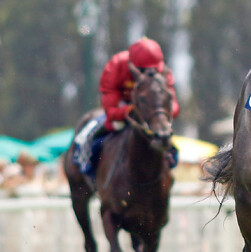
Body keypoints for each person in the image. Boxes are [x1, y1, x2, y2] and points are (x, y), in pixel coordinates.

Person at [75, 37, 180, 174]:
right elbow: (110, 111)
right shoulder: (116, 64)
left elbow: (173, 106)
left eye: (153, 70)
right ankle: (90, 170)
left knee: (167, 140)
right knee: (96, 135)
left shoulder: (163, 71)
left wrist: (160, 114)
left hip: (149, 113)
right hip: (123, 108)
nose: (148, 74)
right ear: (132, 64)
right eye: (142, 70)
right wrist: (129, 110)